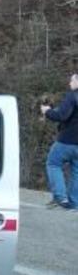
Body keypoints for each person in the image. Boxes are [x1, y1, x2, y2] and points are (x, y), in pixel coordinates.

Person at [41, 73, 78, 210]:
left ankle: (60, 197)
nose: (70, 83)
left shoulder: (72, 96)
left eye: (72, 80)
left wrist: (47, 111)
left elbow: (62, 115)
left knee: (53, 163)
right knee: (76, 172)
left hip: (66, 140)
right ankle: (74, 204)